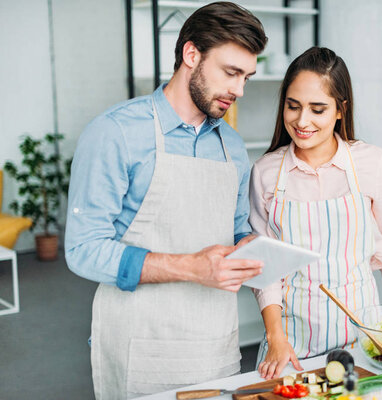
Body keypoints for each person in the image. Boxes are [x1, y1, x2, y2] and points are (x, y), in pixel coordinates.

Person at [65, 3, 268, 398]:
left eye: (247, 77)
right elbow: (83, 249)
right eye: (231, 73)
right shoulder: (115, 133)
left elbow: (237, 227)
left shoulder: (233, 146)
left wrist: (248, 245)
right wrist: (190, 267)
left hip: (215, 344)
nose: (239, 90)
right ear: (191, 55)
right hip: (140, 343)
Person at [249, 47, 382, 379]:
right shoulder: (266, 171)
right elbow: (264, 269)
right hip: (291, 344)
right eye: (293, 106)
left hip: (363, 341)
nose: (302, 121)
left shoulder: (372, 163)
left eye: (317, 109)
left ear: (340, 110)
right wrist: (276, 339)